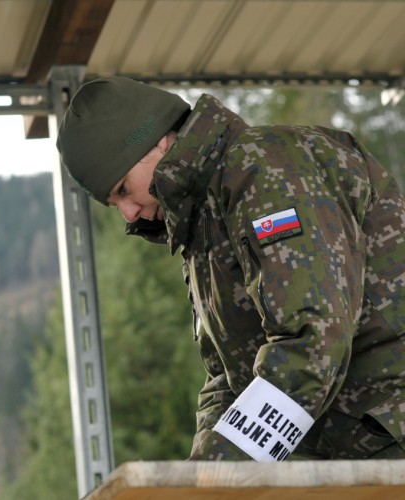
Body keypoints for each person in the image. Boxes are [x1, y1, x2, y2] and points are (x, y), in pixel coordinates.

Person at [56, 76, 405, 462]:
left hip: (387, 437)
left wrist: (223, 472)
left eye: (122, 189)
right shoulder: (201, 225)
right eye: (113, 203)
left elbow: (314, 338)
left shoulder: (264, 168)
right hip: (346, 454)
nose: (128, 213)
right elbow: (227, 378)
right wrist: (199, 474)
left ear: (156, 140)